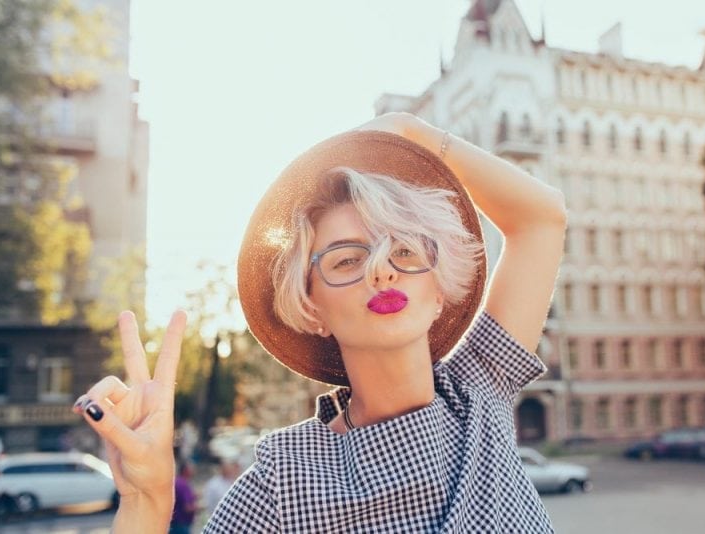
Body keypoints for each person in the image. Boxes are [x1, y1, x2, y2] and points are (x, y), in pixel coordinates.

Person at [72, 112, 567, 532]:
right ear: (312, 308)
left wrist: (412, 132)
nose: (381, 268)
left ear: (439, 294)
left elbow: (542, 217)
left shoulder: (481, 389)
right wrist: (146, 502)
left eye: (403, 248)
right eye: (347, 260)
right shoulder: (282, 480)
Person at [170, 461, 198, 534]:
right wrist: (200, 507)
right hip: (181, 524)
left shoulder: (178, 482)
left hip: (174, 522)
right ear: (186, 470)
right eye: (192, 468)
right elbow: (187, 508)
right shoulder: (183, 484)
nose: (194, 470)